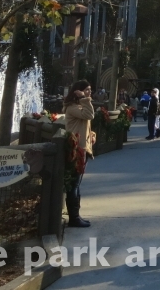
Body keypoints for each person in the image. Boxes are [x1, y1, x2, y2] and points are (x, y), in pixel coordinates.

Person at [64, 79, 95, 228]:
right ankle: (74, 218)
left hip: (83, 148)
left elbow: (85, 122)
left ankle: (77, 216)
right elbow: (89, 115)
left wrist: (91, 134)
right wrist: (84, 98)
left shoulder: (79, 106)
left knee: (77, 184)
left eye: (89, 90)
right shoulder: (72, 107)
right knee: (74, 184)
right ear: (78, 91)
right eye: (86, 89)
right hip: (76, 150)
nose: (89, 92)